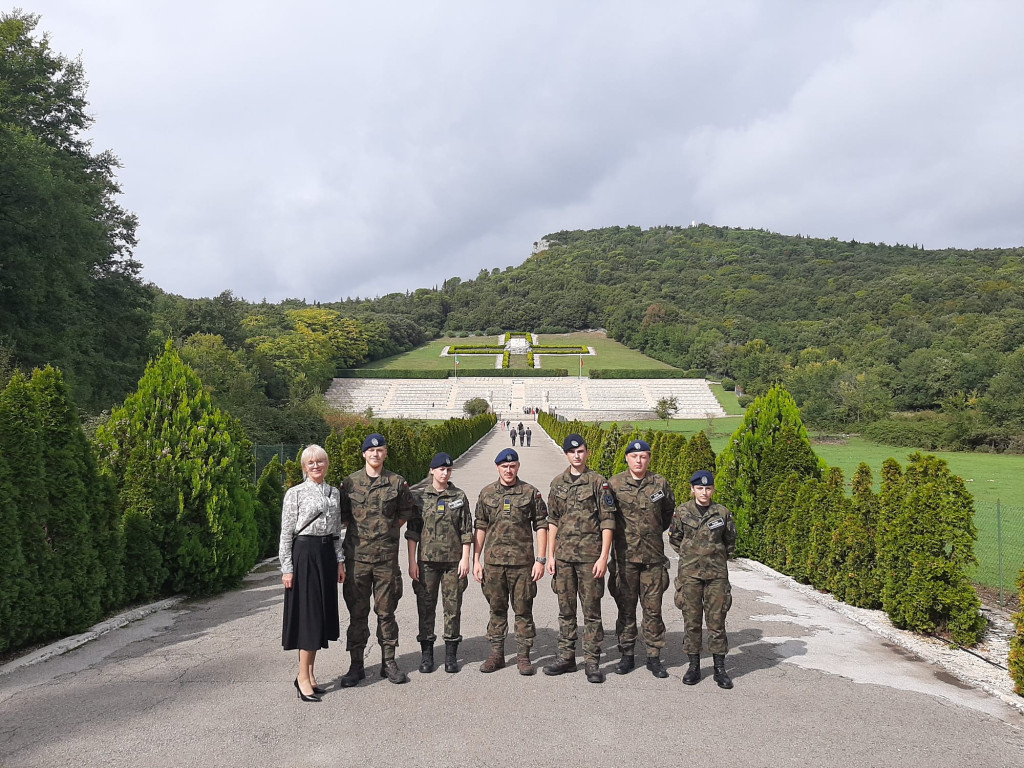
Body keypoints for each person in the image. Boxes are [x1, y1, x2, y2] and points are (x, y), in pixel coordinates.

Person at [340, 433, 419, 685]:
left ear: (385, 454)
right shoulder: (349, 484)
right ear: (364, 454)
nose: (375, 454)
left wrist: (387, 530)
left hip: (386, 561)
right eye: (371, 451)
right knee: (357, 614)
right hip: (357, 561)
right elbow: (342, 517)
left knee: (386, 613)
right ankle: (356, 665)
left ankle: (389, 662)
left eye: (380, 450)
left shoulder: (396, 483)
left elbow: (405, 513)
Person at [544, 434, 616, 683]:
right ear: (566, 454)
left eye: (581, 451)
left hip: (589, 558)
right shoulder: (557, 484)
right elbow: (552, 520)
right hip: (563, 558)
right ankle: (566, 657)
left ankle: (592, 661)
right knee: (565, 611)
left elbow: (608, 520)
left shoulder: (598, 483)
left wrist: (603, 556)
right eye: (572, 452)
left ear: (587, 453)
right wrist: (550, 555)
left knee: (591, 611)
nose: (577, 455)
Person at [472, 448, 548, 675]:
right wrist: (475, 559)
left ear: (518, 467)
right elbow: (480, 527)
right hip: (494, 564)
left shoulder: (530, 492)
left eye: (512, 465)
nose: (508, 469)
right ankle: (497, 654)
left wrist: (541, 560)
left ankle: (524, 656)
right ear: (497, 467)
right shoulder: (486, 494)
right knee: (496, 610)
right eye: (504, 466)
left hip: (523, 564)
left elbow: (541, 525)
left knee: (523, 610)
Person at [279, 444, 346, 702]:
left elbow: (337, 531)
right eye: (311, 462)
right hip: (304, 554)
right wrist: (287, 567)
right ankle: (301, 677)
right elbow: (286, 533)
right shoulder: (294, 493)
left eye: (320, 461)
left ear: (327, 464)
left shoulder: (333, 493)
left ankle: (310, 673)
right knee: (308, 617)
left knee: (320, 616)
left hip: (326, 555)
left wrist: (339, 561)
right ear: (304, 467)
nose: (316, 465)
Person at [607, 439, 676, 678]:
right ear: (627, 458)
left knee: (653, 610)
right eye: (634, 456)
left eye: (644, 456)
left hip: (653, 559)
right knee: (626, 610)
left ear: (648, 458)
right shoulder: (614, 484)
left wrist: (652, 532)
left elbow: (668, 514)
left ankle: (654, 657)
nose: (639, 460)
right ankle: (626, 655)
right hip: (624, 558)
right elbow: (608, 519)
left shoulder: (660, 483)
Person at [668, 470, 737, 689]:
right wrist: (692, 555)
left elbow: (730, 542)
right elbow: (675, 538)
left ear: (713, 489)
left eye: (708, 488)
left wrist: (714, 557)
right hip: (690, 575)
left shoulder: (722, 513)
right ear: (692, 489)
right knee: (692, 620)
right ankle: (694, 666)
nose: (704, 492)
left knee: (716, 622)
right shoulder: (681, 512)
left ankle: (720, 669)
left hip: (716, 576)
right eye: (700, 488)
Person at [406, 452, 472, 674]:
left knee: (452, 608)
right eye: (441, 469)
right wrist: (411, 562)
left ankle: (451, 655)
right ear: (432, 470)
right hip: (426, 563)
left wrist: (466, 558)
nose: (445, 473)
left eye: (448, 469)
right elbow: (413, 531)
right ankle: (427, 654)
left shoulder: (459, 496)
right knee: (426, 608)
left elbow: (466, 530)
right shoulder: (420, 497)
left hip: (453, 563)